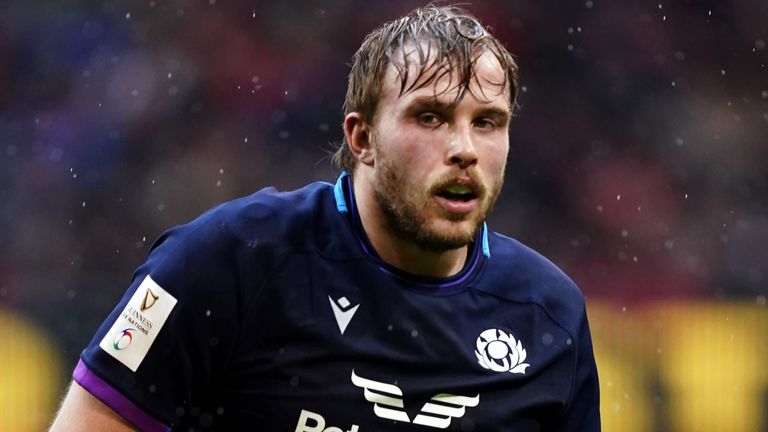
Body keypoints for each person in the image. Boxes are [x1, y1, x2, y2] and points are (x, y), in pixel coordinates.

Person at [50, 5, 600, 431]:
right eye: (429, 117)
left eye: (487, 122)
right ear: (361, 138)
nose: (464, 148)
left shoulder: (549, 316)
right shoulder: (226, 261)